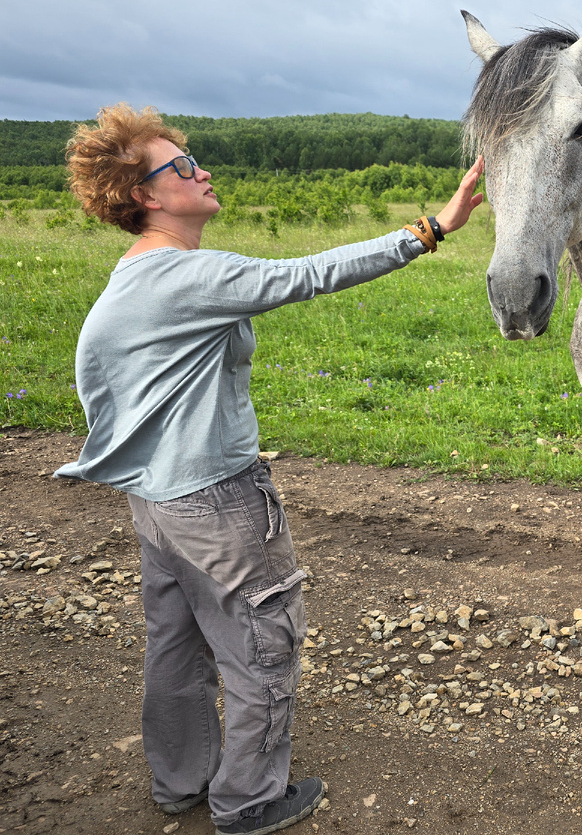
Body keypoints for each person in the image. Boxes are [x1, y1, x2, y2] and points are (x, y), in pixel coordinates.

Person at [54, 104, 484, 835]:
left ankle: (180, 782)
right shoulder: (188, 277)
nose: (203, 170)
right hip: (215, 502)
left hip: (156, 501)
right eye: (182, 166)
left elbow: (99, 382)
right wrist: (430, 231)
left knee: (177, 644)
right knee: (263, 644)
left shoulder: (131, 279)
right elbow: (310, 273)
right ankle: (250, 801)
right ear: (146, 195)